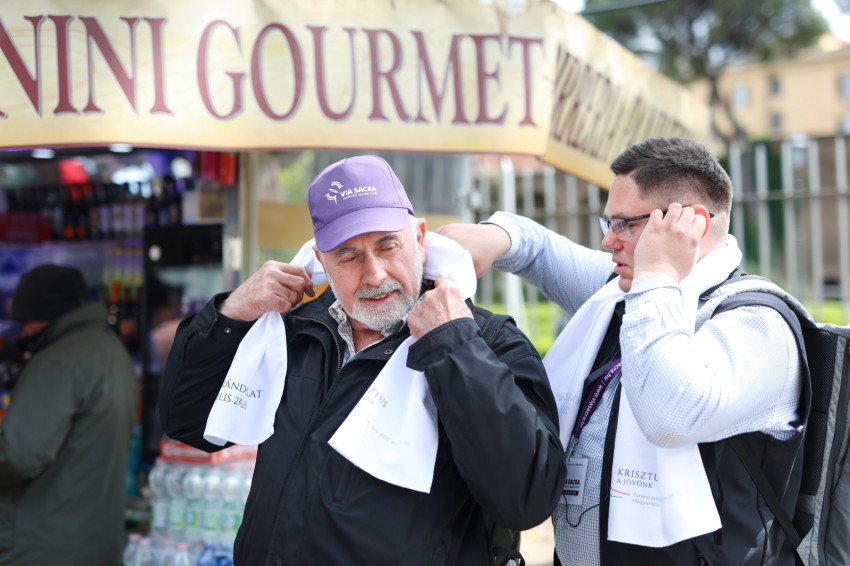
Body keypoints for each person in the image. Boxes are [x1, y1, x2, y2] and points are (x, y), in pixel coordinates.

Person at [158, 155, 566, 566]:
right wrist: (229, 316)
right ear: (321, 260)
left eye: (388, 245)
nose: (375, 275)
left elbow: (527, 499)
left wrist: (453, 346)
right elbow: (187, 421)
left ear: (419, 237)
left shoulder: (487, 342)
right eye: (348, 256)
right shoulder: (292, 332)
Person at [438, 137, 806, 566]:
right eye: (608, 222)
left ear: (690, 224)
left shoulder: (757, 325)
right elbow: (538, 251)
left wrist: (659, 273)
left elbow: (669, 414)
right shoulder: (624, 292)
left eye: (623, 224)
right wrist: (495, 235)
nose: (608, 241)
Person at [0, 264, 138, 565]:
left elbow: (19, 455)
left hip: (42, 545)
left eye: (25, 321)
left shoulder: (57, 362)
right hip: (95, 541)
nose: (22, 332)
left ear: (43, 315)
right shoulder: (110, 350)